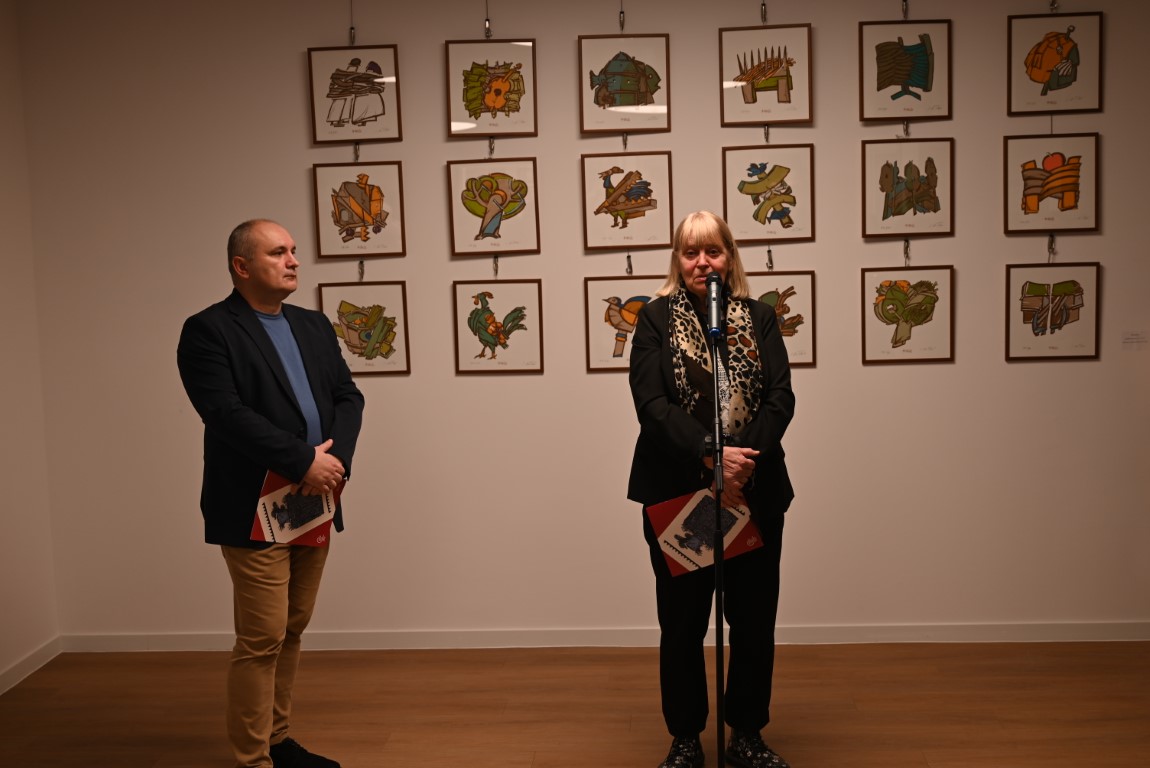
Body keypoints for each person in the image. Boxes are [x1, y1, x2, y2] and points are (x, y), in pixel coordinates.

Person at [177, 219, 365, 768]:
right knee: (262, 638)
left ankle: (278, 742)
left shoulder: (313, 324)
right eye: (278, 252)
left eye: (293, 251)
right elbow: (225, 413)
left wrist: (332, 463)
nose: (293, 261)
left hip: (315, 499)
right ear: (242, 266)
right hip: (251, 505)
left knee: (292, 629)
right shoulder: (208, 330)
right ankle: (253, 760)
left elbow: (348, 396)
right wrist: (303, 460)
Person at [627, 211, 795, 768]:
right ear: (678, 261)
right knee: (682, 624)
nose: (703, 263)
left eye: (713, 251)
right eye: (691, 252)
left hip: (753, 491)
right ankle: (685, 739)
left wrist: (738, 465)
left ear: (730, 257)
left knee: (752, 621)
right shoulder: (654, 320)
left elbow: (780, 399)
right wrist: (710, 454)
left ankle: (746, 734)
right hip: (678, 493)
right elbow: (652, 404)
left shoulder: (760, 317)